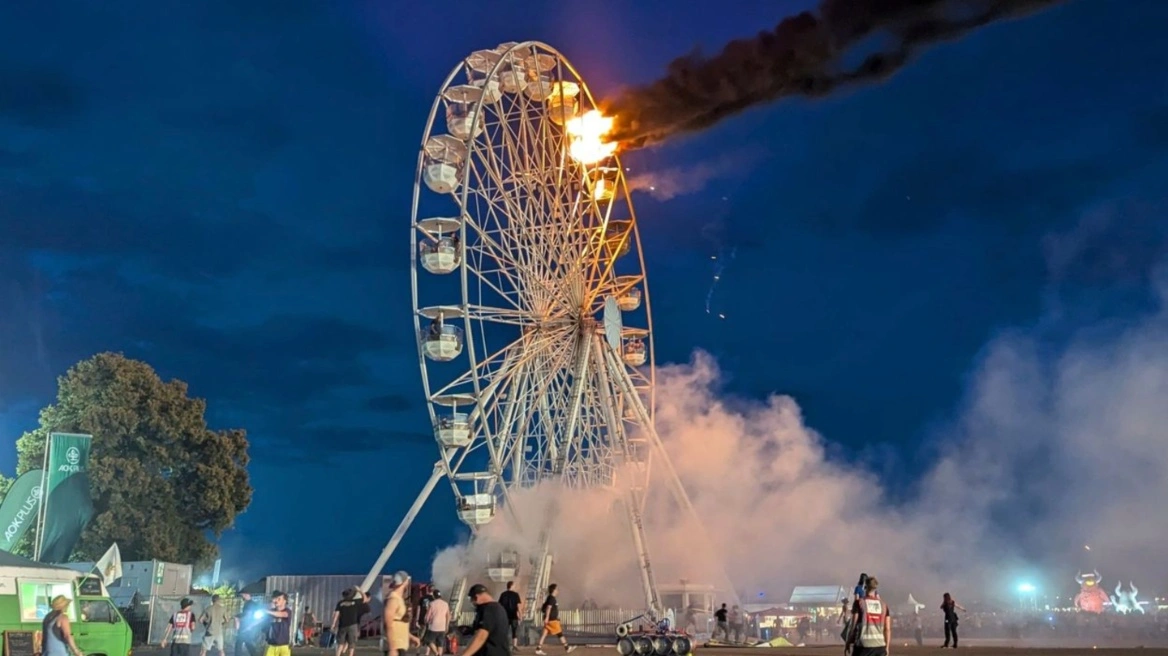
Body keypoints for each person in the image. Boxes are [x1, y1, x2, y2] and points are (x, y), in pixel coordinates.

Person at [461, 584, 510, 656]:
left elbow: (481, 635)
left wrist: (465, 654)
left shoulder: (489, 609)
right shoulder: (499, 608)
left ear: (476, 597)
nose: (472, 602)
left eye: (472, 599)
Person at [849, 576, 891, 656]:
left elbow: (853, 626)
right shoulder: (884, 605)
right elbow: (887, 629)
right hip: (880, 646)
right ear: (875, 588)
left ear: (865, 587)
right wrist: (887, 647)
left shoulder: (859, 603)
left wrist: (849, 641)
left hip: (863, 646)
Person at [384, 571, 419, 656]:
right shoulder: (393, 599)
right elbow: (388, 623)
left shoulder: (399, 599)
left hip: (400, 644)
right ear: (405, 582)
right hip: (395, 645)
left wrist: (410, 636)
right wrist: (392, 648)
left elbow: (399, 623)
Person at [535, 584, 574, 656]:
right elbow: (548, 608)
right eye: (557, 589)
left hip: (550, 620)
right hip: (552, 620)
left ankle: (538, 649)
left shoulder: (550, 598)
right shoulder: (551, 598)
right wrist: (547, 617)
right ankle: (567, 648)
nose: (558, 590)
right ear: (553, 590)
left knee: (544, 634)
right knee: (559, 633)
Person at [332, 588, 370, 656]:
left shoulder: (340, 603)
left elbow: (336, 614)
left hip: (342, 625)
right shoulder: (356, 602)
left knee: (340, 644)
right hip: (353, 625)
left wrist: (333, 624)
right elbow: (365, 599)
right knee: (351, 644)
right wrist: (360, 590)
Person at [262, 591, 293, 656]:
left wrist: (267, 611)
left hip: (283, 645)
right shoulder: (271, 611)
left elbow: (283, 614)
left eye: (279, 599)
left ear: (284, 601)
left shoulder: (287, 611)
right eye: (276, 599)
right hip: (271, 645)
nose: (276, 601)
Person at [423, 590, 450, 656]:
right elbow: (448, 615)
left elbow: (427, 616)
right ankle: (439, 654)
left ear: (433, 596)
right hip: (442, 627)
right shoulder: (445, 604)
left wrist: (425, 621)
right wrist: (447, 626)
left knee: (428, 640)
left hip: (433, 626)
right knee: (440, 644)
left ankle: (436, 652)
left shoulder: (432, 604)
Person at [497, 581, 524, 649]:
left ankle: (503, 645)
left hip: (505, 615)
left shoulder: (503, 594)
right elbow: (518, 606)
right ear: (512, 586)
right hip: (513, 615)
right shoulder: (515, 595)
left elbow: (499, 605)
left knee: (504, 631)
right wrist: (520, 615)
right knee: (514, 631)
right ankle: (514, 645)